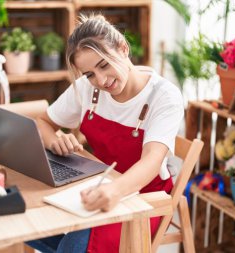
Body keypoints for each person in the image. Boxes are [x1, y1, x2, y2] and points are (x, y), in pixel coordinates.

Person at [26, 13, 184, 253]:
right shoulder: (85, 89)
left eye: (104, 65)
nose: (100, 80)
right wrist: (55, 141)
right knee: (30, 221)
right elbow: (43, 122)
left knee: (72, 245)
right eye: (89, 74)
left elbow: (152, 161)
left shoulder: (164, 96)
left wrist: (114, 190)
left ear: (123, 48)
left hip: (142, 196)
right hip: (93, 183)